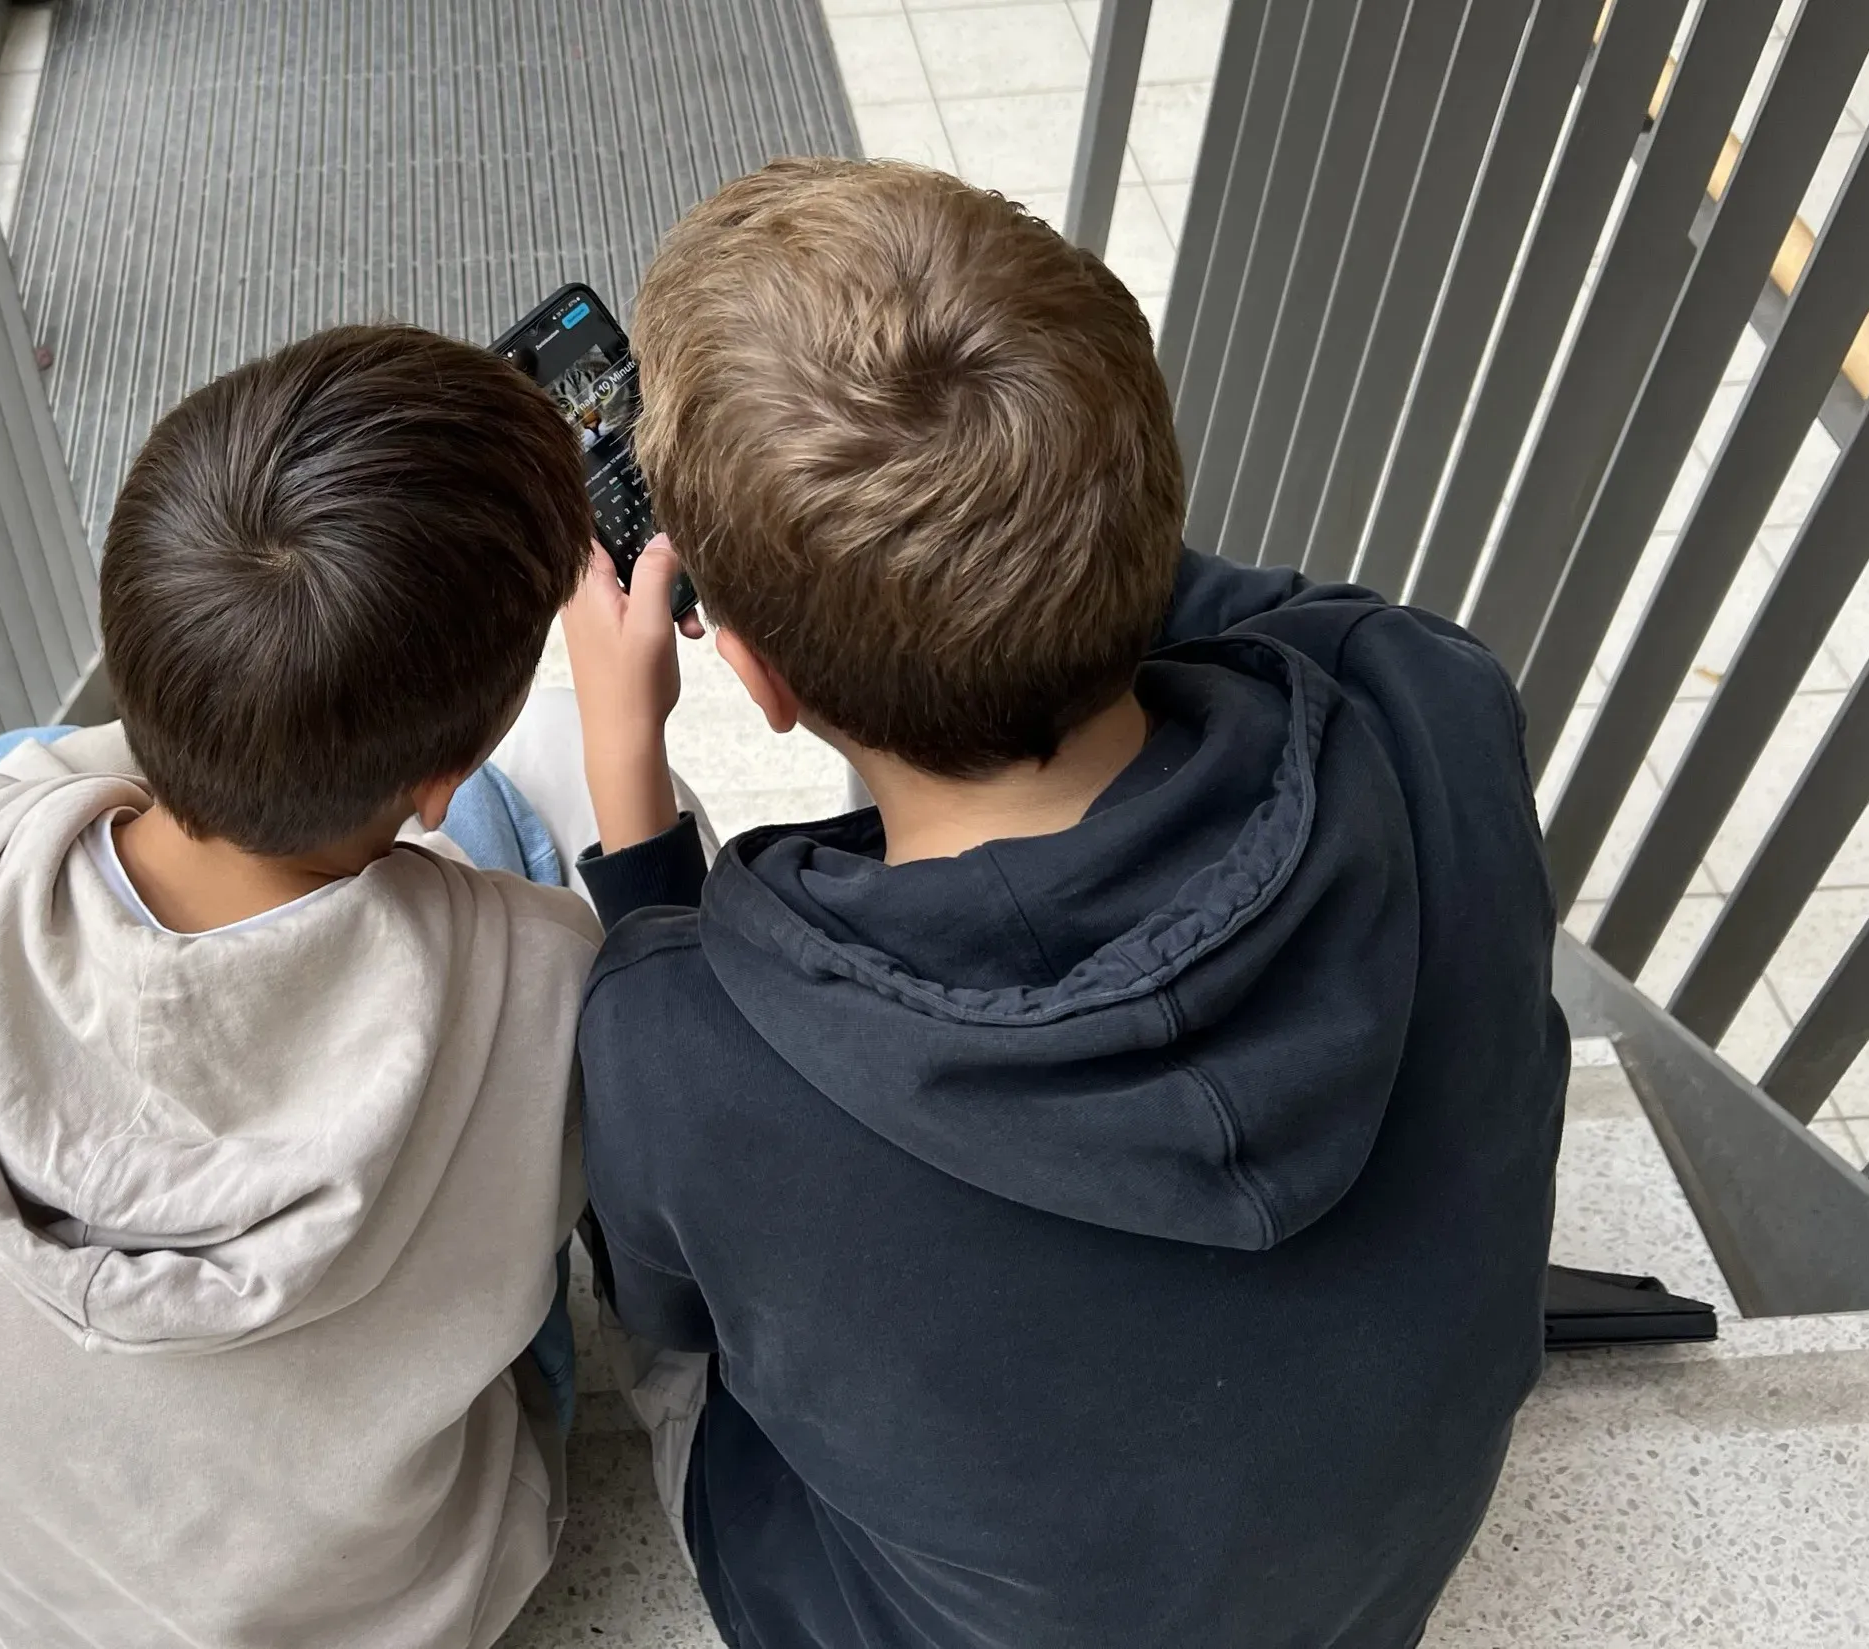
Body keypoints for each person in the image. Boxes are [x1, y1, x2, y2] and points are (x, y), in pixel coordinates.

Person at [559, 159, 1566, 1649]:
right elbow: (1269, 616)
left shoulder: (681, 1041)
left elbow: (666, 1309)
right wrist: (1030, 516)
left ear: (755, 676)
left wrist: (628, 790)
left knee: (678, 1344)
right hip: (1373, 1575)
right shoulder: (1429, 700)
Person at [0, 326, 620, 1649]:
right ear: (430, 781)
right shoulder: (547, 980)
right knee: (526, 823)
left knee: (16, 765)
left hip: (12, 1593)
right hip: (410, 1611)